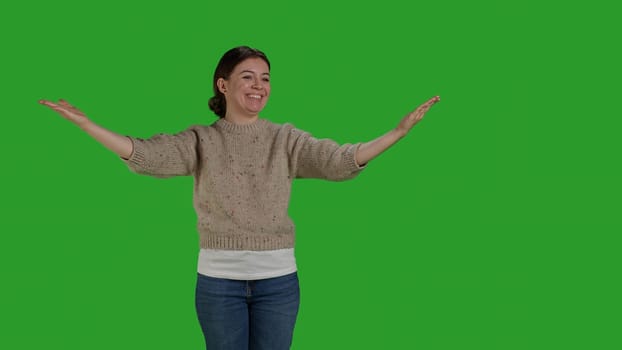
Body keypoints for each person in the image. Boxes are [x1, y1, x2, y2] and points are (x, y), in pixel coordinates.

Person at [39, 46, 440, 350]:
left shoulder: (285, 138)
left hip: (278, 281)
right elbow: (146, 154)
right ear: (223, 84)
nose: (259, 86)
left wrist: (396, 133)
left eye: (265, 78)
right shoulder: (201, 140)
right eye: (248, 77)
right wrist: (88, 125)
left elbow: (338, 160)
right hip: (218, 283)